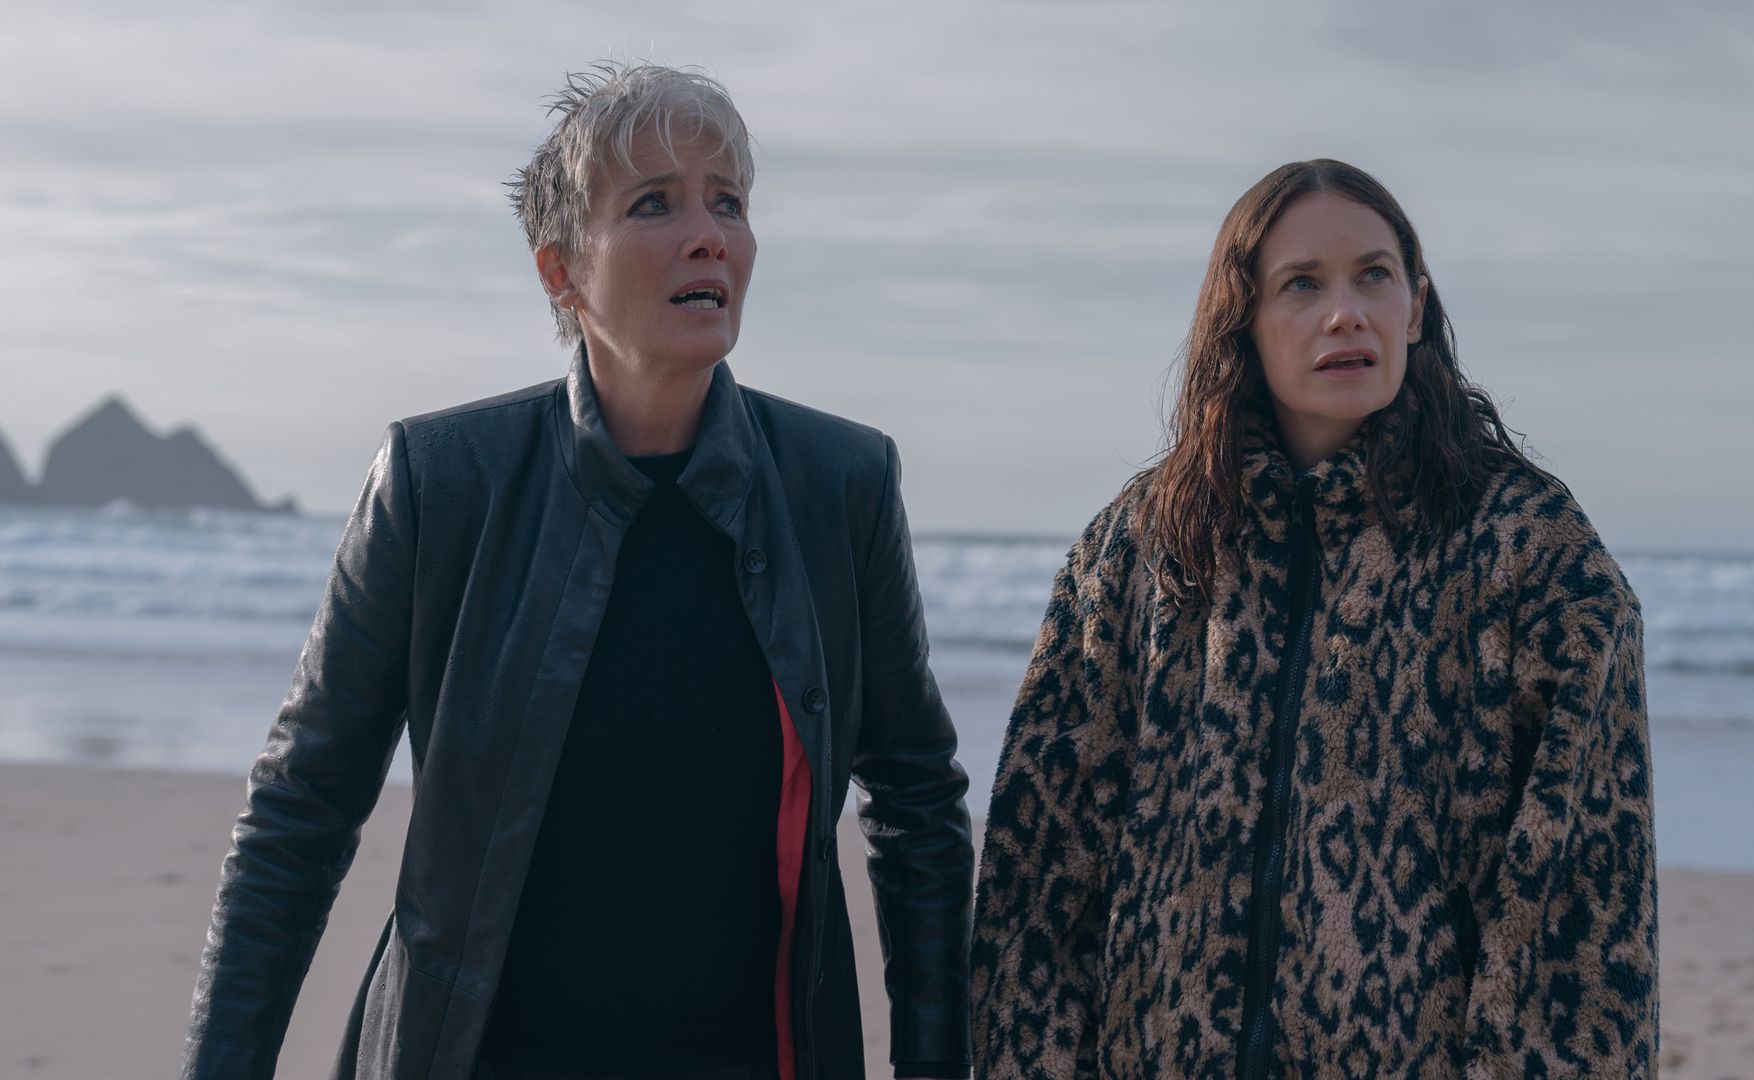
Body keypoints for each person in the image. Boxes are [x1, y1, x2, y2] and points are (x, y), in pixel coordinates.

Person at [180, 62, 973, 1080]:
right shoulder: (440, 484)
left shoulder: (838, 485)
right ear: (562, 274)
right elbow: (302, 809)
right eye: (655, 203)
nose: (709, 234)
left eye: (727, 201)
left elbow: (917, 809)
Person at [970, 160, 1656, 1078]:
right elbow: (1043, 872)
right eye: (1302, 285)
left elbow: (1584, 912)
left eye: (1374, 275)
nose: (1346, 313)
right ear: (1242, 322)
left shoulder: (1531, 553)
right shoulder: (1141, 545)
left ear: (1417, 305)